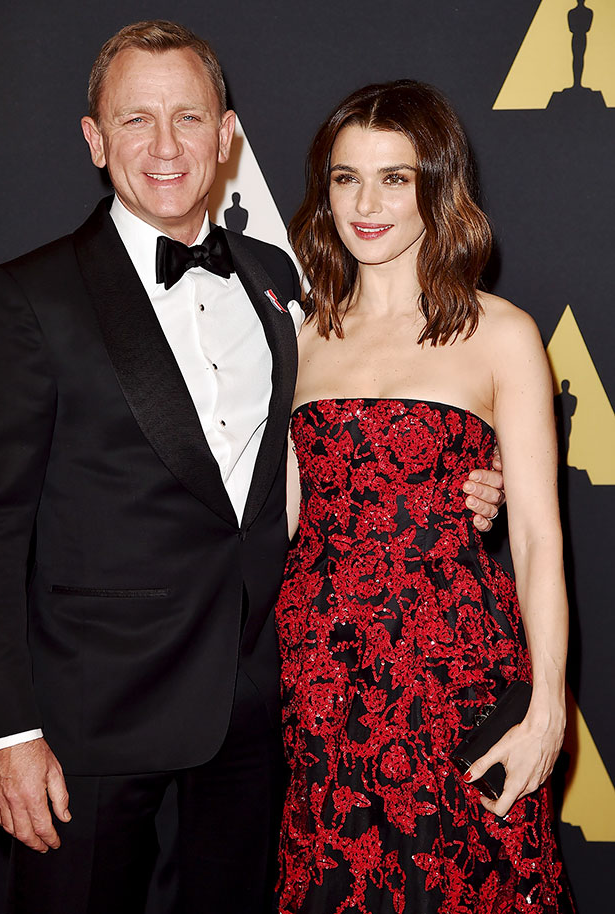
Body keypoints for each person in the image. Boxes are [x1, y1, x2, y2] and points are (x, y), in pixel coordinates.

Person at [0, 20, 504, 913]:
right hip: (91, 719)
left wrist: (466, 475)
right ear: (93, 138)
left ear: (228, 135)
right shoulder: (28, 298)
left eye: (188, 118)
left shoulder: (277, 284)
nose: (165, 147)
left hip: (262, 704)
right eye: (135, 120)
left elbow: (349, 436)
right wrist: (6, 730)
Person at [275, 81, 574, 913]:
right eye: (345, 178)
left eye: (395, 179)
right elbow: (284, 521)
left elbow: (542, 539)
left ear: (437, 187)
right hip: (320, 680)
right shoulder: (294, 338)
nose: (366, 204)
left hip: (456, 672)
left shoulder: (503, 333)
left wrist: (550, 702)